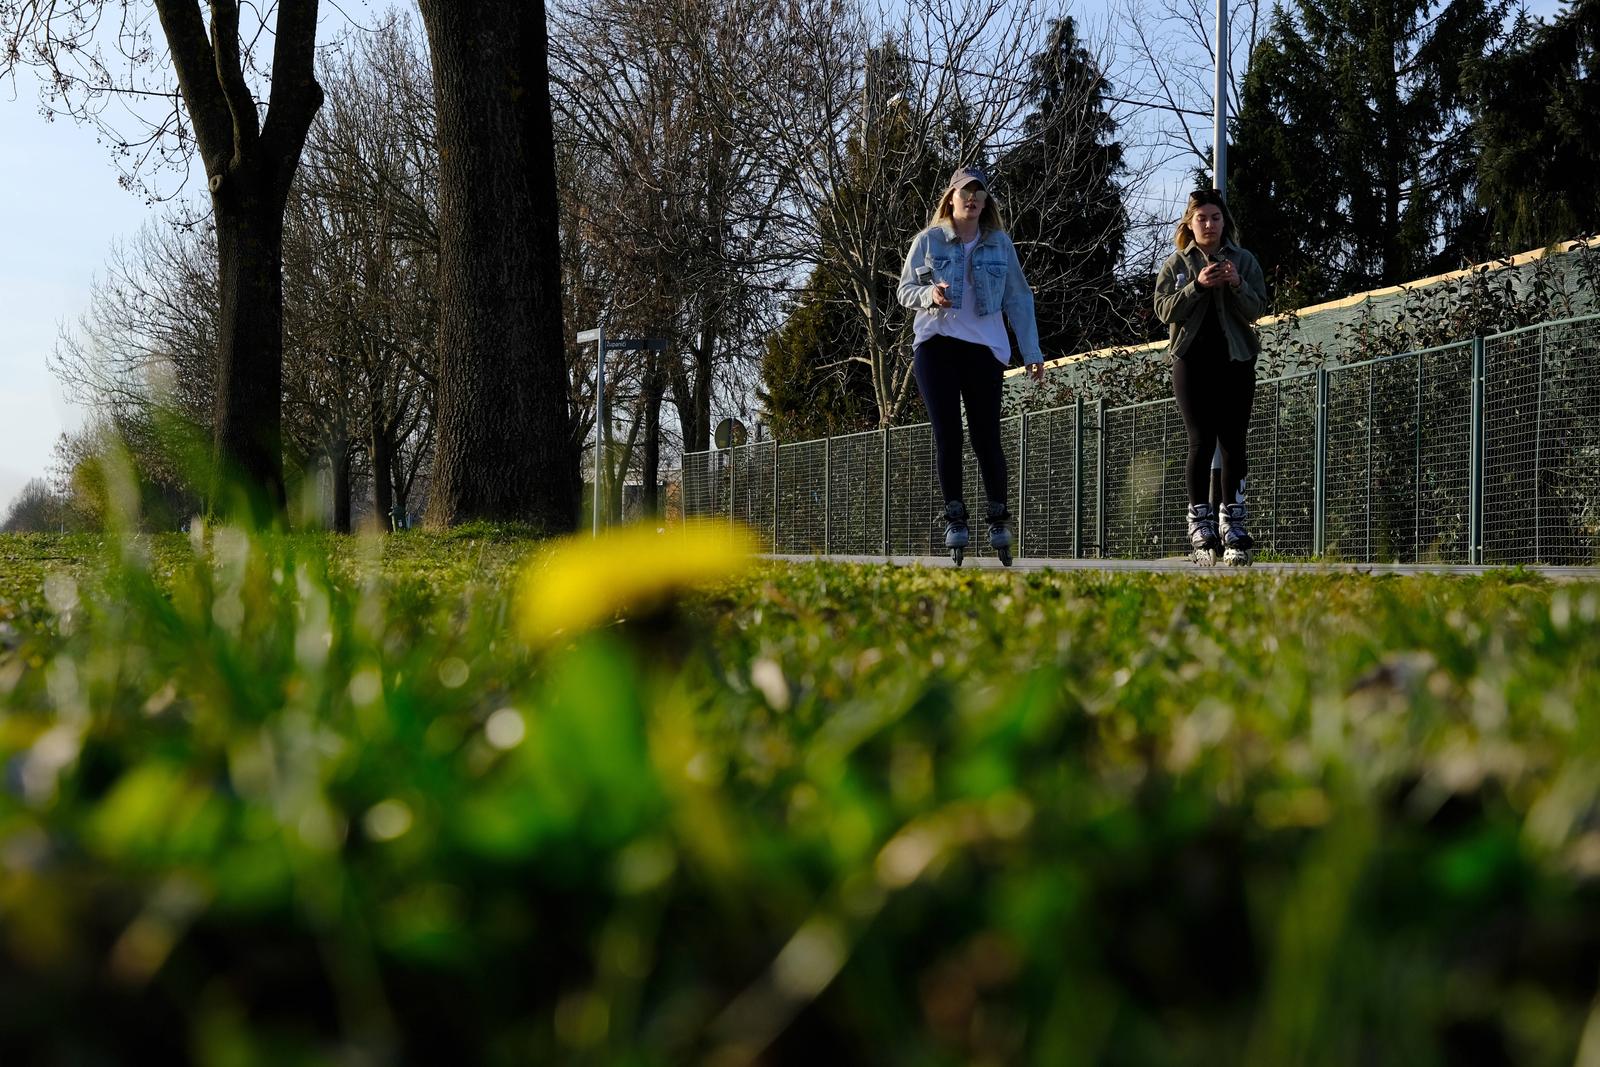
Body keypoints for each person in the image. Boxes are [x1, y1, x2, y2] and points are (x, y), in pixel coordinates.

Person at [897, 166, 1046, 566]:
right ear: (951, 199)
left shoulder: (999, 244)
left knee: (985, 434)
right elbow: (904, 291)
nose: (972, 199)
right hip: (936, 345)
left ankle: (997, 517)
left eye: (979, 194)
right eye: (965, 192)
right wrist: (931, 293)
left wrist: (1031, 352)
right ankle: (955, 515)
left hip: (984, 349)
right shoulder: (928, 241)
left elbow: (1019, 298)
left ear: (985, 203)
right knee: (947, 431)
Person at [1153, 188, 1267, 566]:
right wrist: (1197, 284)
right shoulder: (1176, 263)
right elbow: (1164, 310)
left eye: (1215, 218)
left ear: (1224, 222)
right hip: (1191, 361)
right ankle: (1200, 522)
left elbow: (1256, 308)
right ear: (1190, 222)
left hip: (1236, 360)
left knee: (1233, 441)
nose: (1209, 224)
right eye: (1201, 218)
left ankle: (1233, 523)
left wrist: (1236, 283)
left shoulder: (1244, 260)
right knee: (1200, 441)